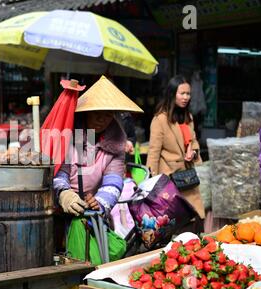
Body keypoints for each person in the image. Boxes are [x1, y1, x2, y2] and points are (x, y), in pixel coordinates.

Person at [52, 76, 143, 262]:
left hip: (88, 216)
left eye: (108, 114)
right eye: (97, 113)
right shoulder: (71, 135)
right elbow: (61, 169)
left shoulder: (116, 143)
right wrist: (64, 194)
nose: (102, 119)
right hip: (58, 216)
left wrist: (100, 203)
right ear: (86, 112)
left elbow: (114, 181)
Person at [146, 75, 205, 229]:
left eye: (188, 94)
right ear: (172, 94)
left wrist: (193, 150)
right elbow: (154, 152)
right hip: (170, 179)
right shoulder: (160, 120)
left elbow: (194, 140)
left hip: (188, 178)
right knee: (173, 222)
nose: (186, 97)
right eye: (182, 93)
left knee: (196, 220)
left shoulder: (188, 117)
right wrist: (152, 182)